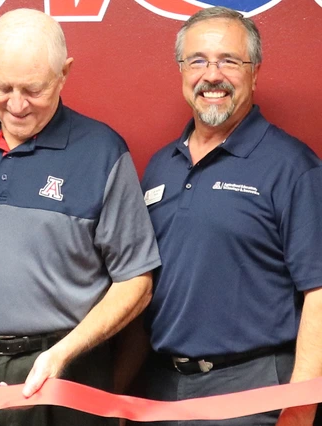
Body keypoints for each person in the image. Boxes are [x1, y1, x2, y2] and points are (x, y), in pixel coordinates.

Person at [0, 8, 161, 426]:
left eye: (33, 89)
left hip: (67, 373)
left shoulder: (102, 151)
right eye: (2, 86)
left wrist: (64, 352)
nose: (16, 104)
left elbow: (137, 281)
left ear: (64, 74)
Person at [137, 6, 322, 426]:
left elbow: (320, 294)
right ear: (182, 71)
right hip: (163, 391)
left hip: (254, 394)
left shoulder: (293, 167)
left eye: (229, 61)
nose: (212, 75)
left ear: (255, 72)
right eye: (198, 60)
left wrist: (299, 410)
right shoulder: (160, 166)